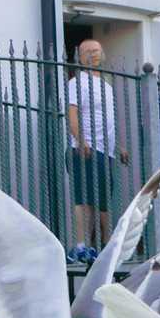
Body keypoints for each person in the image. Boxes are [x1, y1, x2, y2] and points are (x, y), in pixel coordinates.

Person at [66, 39, 129, 264]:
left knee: (99, 199)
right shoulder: (77, 82)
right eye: (87, 52)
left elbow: (109, 120)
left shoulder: (107, 86)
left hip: (106, 150)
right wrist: (80, 139)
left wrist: (119, 145)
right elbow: (72, 113)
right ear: (80, 57)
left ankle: (95, 246)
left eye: (96, 51)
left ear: (102, 54)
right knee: (83, 197)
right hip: (85, 146)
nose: (92, 55)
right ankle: (81, 245)